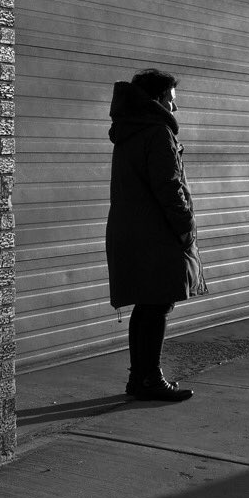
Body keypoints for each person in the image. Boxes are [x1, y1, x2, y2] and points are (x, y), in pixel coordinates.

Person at [105, 68, 208, 401]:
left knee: (147, 305)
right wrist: (185, 229)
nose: (175, 109)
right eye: (172, 101)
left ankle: (141, 378)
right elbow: (169, 187)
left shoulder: (129, 130)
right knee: (157, 305)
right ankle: (148, 380)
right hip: (156, 232)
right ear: (159, 100)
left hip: (133, 230)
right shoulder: (157, 131)